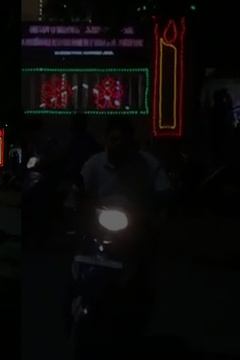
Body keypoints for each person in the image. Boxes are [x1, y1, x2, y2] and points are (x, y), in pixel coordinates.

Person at [76, 118, 171, 355]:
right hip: (98, 229)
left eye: (123, 140)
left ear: (131, 142)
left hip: (135, 229)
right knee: (78, 265)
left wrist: (156, 211)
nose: (117, 145)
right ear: (106, 139)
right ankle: (75, 306)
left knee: (145, 272)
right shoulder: (94, 164)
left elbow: (164, 191)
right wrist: (78, 208)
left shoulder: (147, 164)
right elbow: (79, 192)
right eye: (113, 139)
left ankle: (139, 317)